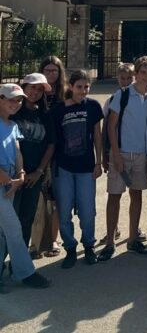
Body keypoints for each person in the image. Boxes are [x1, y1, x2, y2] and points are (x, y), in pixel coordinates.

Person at [99, 57, 147, 261]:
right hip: (122, 152)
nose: (146, 76)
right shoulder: (122, 95)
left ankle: (133, 239)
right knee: (114, 195)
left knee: (137, 195)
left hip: (142, 153)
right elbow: (111, 126)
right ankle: (110, 242)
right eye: (143, 72)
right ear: (137, 74)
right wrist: (115, 154)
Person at [0, 83, 50, 290]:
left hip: (11, 180)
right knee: (13, 228)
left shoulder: (12, 125)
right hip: (3, 180)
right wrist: (5, 177)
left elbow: (17, 150)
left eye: (19, 100)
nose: (16, 103)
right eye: (11, 99)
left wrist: (20, 174)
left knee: (4, 231)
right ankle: (26, 272)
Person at [52, 70, 104, 268]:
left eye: (86, 87)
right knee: (64, 210)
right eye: (79, 87)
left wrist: (98, 162)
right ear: (71, 87)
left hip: (86, 167)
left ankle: (89, 245)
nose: (83, 91)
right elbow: (53, 140)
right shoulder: (59, 109)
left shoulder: (93, 106)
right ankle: (70, 247)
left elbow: (97, 135)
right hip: (63, 167)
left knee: (88, 210)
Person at [11, 74, 55, 255]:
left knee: (26, 218)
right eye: (32, 87)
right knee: (8, 219)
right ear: (24, 87)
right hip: (11, 175)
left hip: (34, 177)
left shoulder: (45, 115)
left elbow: (51, 144)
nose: (35, 92)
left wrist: (39, 171)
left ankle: (19, 259)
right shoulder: (12, 110)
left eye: (40, 89)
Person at [99, 63, 134, 245]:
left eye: (129, 78)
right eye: (122, 78)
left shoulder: (141, 97)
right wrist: (105, 155)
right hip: (116, 152)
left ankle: (134, 229)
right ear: (117, 79)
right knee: (115, 194)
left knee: (135, 193)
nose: (126, 82)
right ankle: (112, 230)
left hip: (134, 151)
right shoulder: (112, 99)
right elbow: (106, 128)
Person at [37, 56, 67, 258]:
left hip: (60, 152)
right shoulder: (35, 94)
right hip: (38, 150)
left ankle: (53, 239)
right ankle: (36, 240)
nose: (50, 74)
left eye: (54, 70)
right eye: (47, 70)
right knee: (38, 199)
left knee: (56, 198)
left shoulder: (65, 94)